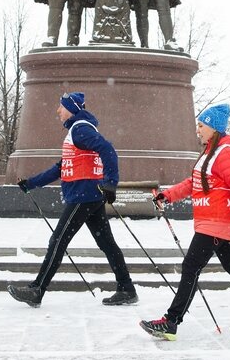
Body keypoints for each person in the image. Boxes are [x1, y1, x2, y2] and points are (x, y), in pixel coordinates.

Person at [140, 103, 230, 340]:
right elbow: (194, 183)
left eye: (201, 126)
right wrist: (167, 195)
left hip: (215, 223)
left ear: (213, 127)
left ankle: (171, 322)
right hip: (215, 224)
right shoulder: (210, 153)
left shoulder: (225, 154)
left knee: (190, 267)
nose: (198, 130)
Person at [7, 91, 137, 307]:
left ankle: (37, 290)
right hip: (89, 195)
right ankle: (126, 288)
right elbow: (61, 167)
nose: (58, 110)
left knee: (57, 241)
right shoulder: (79, 131)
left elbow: (108, 150)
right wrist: (30, 183)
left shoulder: (80, 130)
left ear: (71, 108)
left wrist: (111, 182)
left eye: (61, 106)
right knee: (106, 243)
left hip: (83, 196)